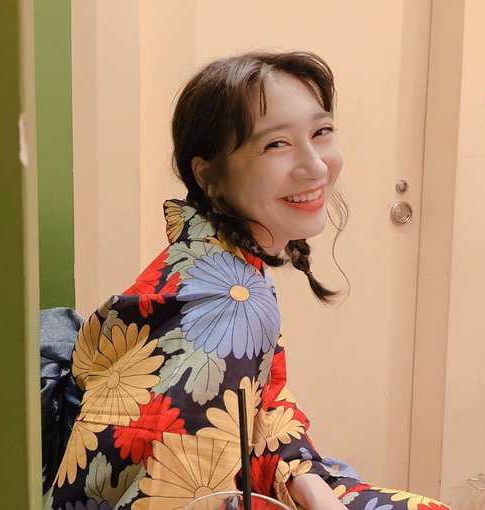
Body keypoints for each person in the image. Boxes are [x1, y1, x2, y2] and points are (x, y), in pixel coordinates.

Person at [50, 51, 450, 510]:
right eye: (276, 144)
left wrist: (309, 484)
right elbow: (179, 492)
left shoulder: (217, 256)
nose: (316, 166)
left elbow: (258, 403)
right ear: (209, 174)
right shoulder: (230, 304)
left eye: (320, 132)